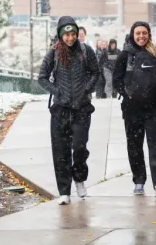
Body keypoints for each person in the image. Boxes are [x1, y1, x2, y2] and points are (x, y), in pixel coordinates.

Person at [38, 16, 100, 205]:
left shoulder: (85, 50)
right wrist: (58, 92)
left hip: (81, 108)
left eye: (73, 34)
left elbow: (95, 72)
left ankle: (79, 178)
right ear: (60, 35)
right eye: (67, 35)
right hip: (60, 109)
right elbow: (42, 78)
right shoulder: (53, 54)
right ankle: (64, 190)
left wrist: (86, 89)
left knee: (80, 147)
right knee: (60, 150)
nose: (71, 38)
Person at [113, 22, 156, 197]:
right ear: (132, 35)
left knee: (155, 144)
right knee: (134, 145)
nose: (141, 36)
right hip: (132, 109)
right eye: (138, 33)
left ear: (149, 34)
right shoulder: (125, 55)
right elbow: (117, 80)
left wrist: (153, 92)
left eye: (144, 33)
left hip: (153, 108)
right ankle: (139, 180)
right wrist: (127, 94)